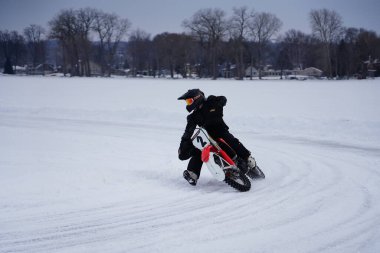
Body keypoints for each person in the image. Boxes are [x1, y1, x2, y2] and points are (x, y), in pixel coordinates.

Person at [177, 88, 264, 186]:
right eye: (187, 102)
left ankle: (248, 158)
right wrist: (183, 146)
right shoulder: (193, 117)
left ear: (197, 97)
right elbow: (188, 132)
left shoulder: (211, 102)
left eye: (189, 101)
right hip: (208, 137)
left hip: (221, 131)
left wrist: (220, 100)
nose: (188, 104)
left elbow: (223, 99)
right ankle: (192, 173)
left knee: (230, 139)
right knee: (198, 149)